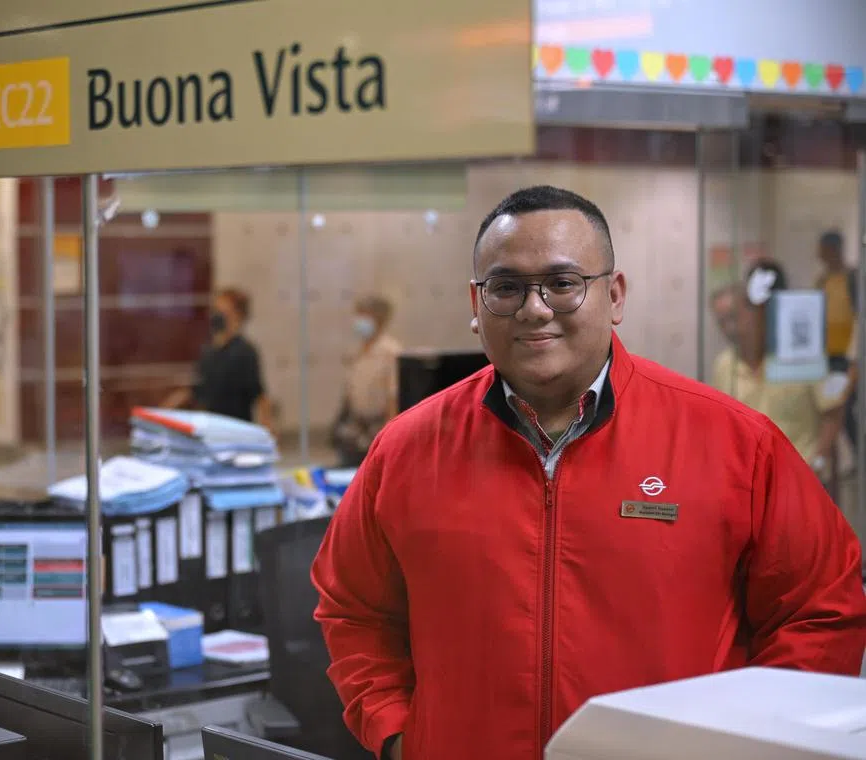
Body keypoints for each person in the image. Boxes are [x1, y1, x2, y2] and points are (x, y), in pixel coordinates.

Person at [311, 186, 866, 760]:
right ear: (476, 305)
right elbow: (353, 608)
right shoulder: (405, 451)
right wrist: (400, 734)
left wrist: (756, 746)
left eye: (563, 283)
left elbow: (821, 611)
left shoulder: (736, 444)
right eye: (506, 287)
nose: (534, 308)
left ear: (615, 295)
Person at [710, 265, 845, 473]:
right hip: (750, 480)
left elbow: (832, 411)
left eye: (734, 317)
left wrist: (817, 463)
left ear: (757, 311)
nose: (730, 328)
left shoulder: (802, 355)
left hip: (800, 478)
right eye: (722, 322)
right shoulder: (724, 365)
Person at [164, 288, 272, 428]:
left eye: (223, 311)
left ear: (238, 315)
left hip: (235, 429)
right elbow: (195, 388)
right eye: (215, 310)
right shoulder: (208, 350)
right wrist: (165, 409)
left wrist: (268, 431)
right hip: (210, 428)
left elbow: (260, 396)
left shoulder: (245, 352)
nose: (216, 315)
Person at [330, 295, 402, 467]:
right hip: (355, 429)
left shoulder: (390, 351)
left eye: (364, 315)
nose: (359, 321)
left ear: (378, 319)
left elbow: (394, 395)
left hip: (377, 427)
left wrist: (389, 434)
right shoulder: (357, 350)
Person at [816, 230, 859, 448]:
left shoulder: (852, 278)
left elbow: (858, 316)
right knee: (832, 409)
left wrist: (855, 357)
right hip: (827, 357)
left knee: (848, 410)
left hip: (849, 357)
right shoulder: (822, 280)